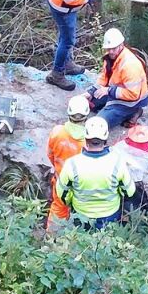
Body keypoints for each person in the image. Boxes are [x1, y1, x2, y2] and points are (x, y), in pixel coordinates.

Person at [56, 117, 135, 230]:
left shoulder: (72, 164)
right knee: (107, 243)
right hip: (110, 214)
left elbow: (62, 193)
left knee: (82, 244)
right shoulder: (117, 162)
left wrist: (73, 202)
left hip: (81, 213)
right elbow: (128, 191)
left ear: (85, 137)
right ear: (106, 137)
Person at [87, 27, 148, 127]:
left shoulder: (130, 65)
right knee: (90, 104)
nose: (110, 51)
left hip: (131, 102)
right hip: (115, 92)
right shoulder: (110, 57)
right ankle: (121, 110)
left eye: (113, 48)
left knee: (99, 124)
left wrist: (108, 91)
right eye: (108, 48)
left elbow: (133, 95)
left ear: (121, 45)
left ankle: (133, 111)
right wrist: (91, 92)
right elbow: (104, 77)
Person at [45, 94, 90, 230]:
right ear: (86, 116)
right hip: (82, 186)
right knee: (80, 214)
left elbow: (50, 154)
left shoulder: (57, 132)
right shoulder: (89, 141)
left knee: (58, 209)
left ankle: (51, 239)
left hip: (61, 182)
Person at [112, 124, 148, 216]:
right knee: (141, 207)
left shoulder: (119, 146)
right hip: (135, 183)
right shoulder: (144, 157)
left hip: (118, 179)